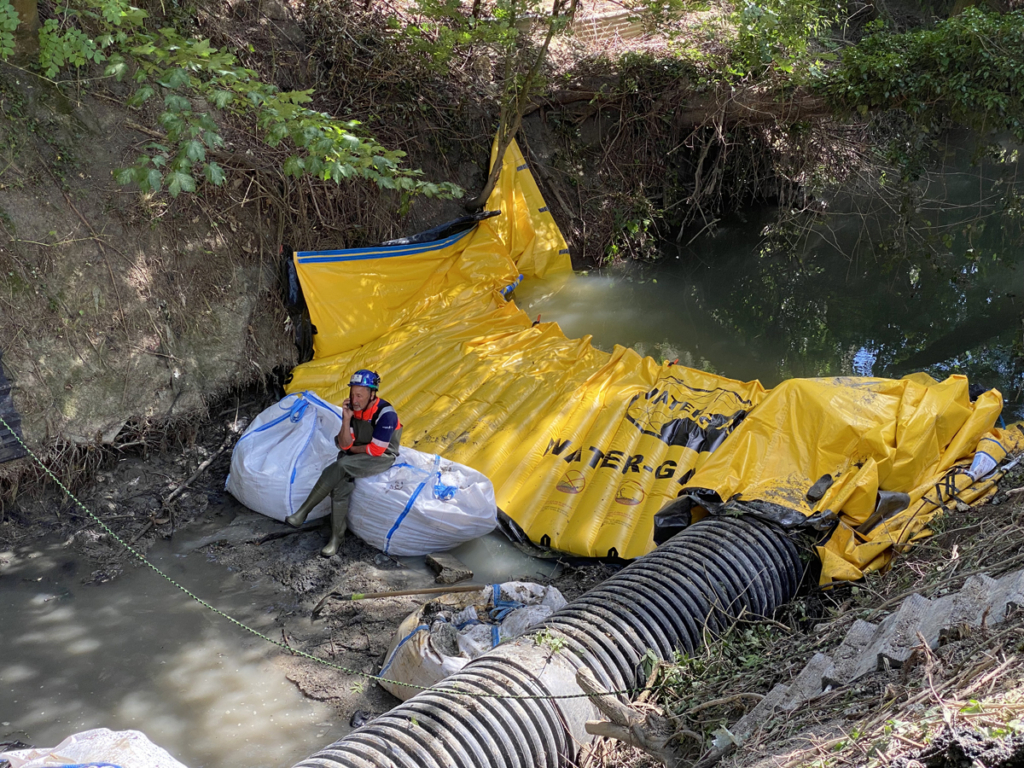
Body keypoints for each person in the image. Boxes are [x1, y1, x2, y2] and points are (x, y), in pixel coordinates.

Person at [285, 369, 402, 557]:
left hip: (382, 457)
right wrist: (346, 420)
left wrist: (350, 451)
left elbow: (376, 450)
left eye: (359, 395)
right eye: (352, 394)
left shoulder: (386, 414)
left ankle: (303, 511)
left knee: (341, 465)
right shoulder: (354, 411)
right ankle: (336, 538)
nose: (355, 400)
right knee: (340, 487)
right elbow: (345, 443)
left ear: (372, 395)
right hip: (359, 452)